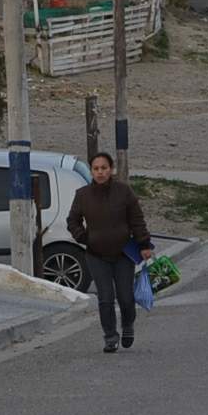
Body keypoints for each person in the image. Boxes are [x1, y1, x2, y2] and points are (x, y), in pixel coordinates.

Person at [65, 151, 150, 353]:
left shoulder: (124, 192)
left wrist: (144, 245)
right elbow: (72, 221)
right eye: (96, 169)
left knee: (126, 297)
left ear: (111, 170)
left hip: (123, 254)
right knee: (105, 297)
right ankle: (110, 336)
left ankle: (128, 325)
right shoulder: (83, 195)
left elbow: (137, 220)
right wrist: (84, 238)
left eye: (104, 168)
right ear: (92, 171)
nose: (100, 172)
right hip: (96, 255)